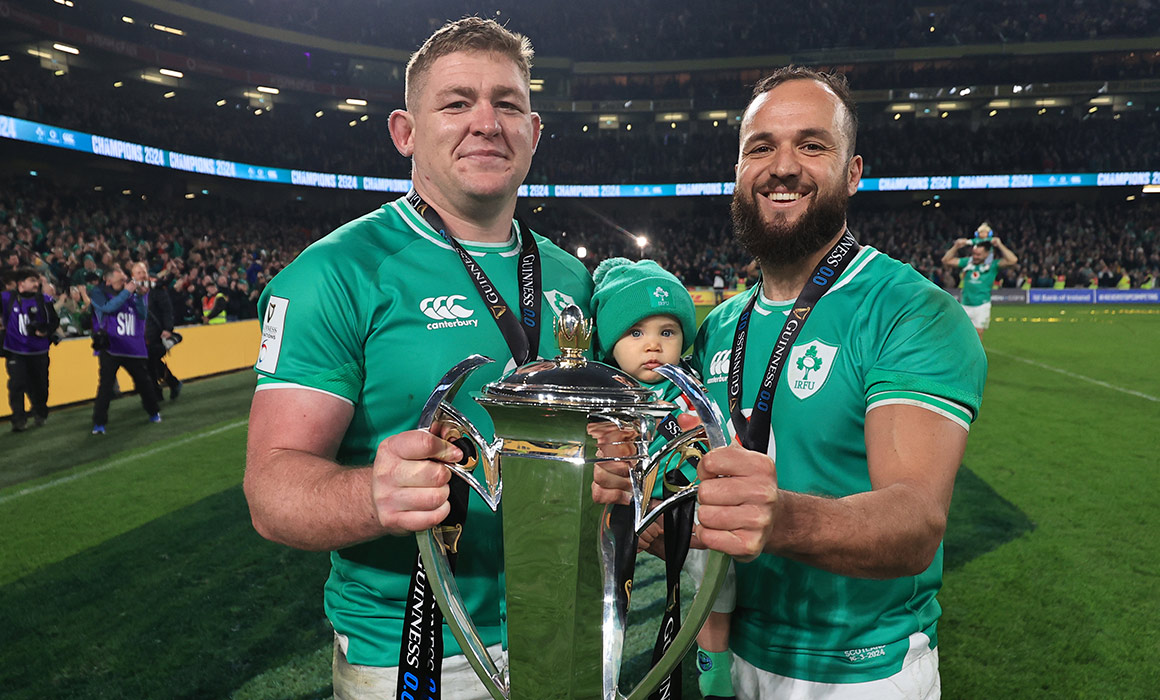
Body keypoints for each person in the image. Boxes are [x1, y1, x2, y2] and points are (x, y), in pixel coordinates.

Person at [243, 18, 593, 700]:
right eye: (457, 102)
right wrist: (373, 496)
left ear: (535, 132)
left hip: (563, 625)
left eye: (508, 104)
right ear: (405, 132)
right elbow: (271, 490)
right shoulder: (334, 274)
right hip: (414, 649)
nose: (486, 122)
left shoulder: (571, 280)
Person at [660, 67, 987, 699]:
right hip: (732, 652)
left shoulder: (909, 310)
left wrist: (774, 519)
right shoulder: (719, 327)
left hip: (861, 669)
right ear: (738, 171)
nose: (783, 166)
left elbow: (915, 519)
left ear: (854, 171)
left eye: (812, 145)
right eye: (761, 146)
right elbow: (697, 485)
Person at [589, 257, 738, 699]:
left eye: (666, 332)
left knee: (718, 579)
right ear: (609, 342)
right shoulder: (599, 394)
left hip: (689, 517)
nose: (652, 345)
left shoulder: (695, 390)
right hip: (622, 527)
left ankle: (714, 671)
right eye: (635, 333)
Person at [89, 265, 162, 434]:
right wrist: (127, 292)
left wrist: (142, 297)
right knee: (105, 387)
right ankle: (99, 423)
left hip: (131, 347)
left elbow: (142, 315)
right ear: (108, 281)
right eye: (120, 279)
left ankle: (153, 412)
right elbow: (108, 308)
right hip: (111, 346)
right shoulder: (99, 293)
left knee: (144, 383)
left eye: (124, 279)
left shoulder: (130, 293)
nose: (125, 281)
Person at [2, 267, 58, 431]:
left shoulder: (45, 300)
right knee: (16, 385)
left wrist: (45, 331)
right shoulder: (7, 298)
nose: (36, 284)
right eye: (32, 281)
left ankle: (40, 412)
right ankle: (18, 420)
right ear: (21, 284)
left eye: (37, 281)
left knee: (40, 385)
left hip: (39, 351)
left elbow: (54, 321)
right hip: (15, 350)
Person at [941, 230, 1018, 340]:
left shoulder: (992, 265)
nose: (975, 257)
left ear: (987, 254)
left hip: (981, 306)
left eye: (978, 255)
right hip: (965, 304)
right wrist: (956, 247)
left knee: (977, 335)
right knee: (958, 333)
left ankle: (975, 357)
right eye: (974, 254)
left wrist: (1000, 245)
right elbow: (946, 260)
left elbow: (1013, 260)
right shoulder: (968, 262)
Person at [134, 262, 183, 401]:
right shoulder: (135, 293)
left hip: (155, 333)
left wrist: (168, 329)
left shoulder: (157, 290)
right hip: (143, 335)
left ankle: (159, 391)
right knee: (151, 363)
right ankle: (170, 384)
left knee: (150, 362)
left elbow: (167, 311)